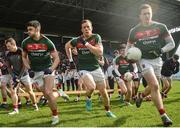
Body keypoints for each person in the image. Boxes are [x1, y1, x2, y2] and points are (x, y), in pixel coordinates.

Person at [126, 4, 175, 126]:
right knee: (154, 85)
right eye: (144, 14)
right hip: (144, 60)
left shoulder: (161, 27)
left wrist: (161, 50)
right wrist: (129, 56)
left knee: (155, 86)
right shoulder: (134, 31)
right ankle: (163, 115)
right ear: (140, 16)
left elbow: (172, 44)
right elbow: (128, 47)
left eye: (149, 13)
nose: (147, 15)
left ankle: (141, 96)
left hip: (157, 60)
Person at [65, 19, 116, 118]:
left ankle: (108, 111)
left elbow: (100, 52)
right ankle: (88, 97)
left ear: (91, 28)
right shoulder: (77, 40)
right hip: (83, 68)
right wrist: (70, 60)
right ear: (81, 30)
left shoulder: (96, 37)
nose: (86, 29)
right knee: (92, 87)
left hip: (96, 68)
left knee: (104, 93)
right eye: (84, 27)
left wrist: (86, 44)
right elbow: (67, 46)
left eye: (88, 27)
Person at [21, 20, 67, 125]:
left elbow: (56, 59)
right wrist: (29, 69)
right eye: (27, 30)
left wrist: (51, 69)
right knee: (46, 94)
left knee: (48, 92)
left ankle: (55, 116)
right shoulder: (25, 42)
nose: (28, 32)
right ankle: (58, 92)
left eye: (30, 30)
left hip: (47, 69)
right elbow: (23, 57)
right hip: (35, 71)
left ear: (37, 29)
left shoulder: (47, 42)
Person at [5, 37, 39, 115]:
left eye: (9, 46)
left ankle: (35, 105)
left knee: (30, 91)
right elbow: (8, 67)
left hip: (24, 74)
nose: (7, 48)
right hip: (15, 75)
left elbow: (25, 66)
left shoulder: (21, 51)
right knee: (13, 91)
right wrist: (13, 76)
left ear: (14, 45)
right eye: (7, 46)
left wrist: (19, 78)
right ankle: (15, 109)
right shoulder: (8, 54)